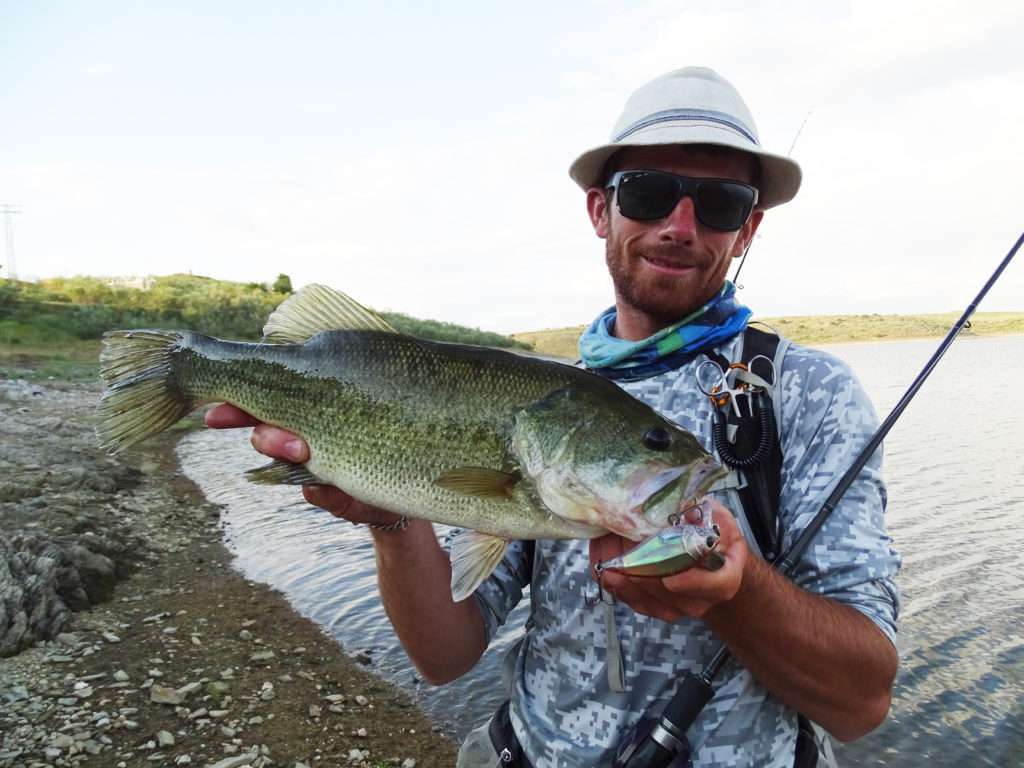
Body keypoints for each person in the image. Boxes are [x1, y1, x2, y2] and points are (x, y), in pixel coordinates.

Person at [207, 67, 901, 767]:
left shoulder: (806, 393)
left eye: (720, 203)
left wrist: (736, 594)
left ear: (747, 229)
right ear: (602, 210)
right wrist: (390, 516)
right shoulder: (552, 400)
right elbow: (446, 654)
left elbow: (863, 703)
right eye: (649, 192)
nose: (680, 226)